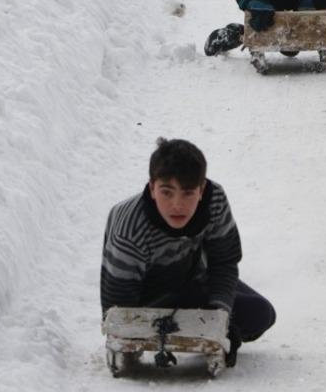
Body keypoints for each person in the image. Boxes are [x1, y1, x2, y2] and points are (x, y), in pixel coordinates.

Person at [100, 137, 275, 368]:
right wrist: (148, 338)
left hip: (192, 282)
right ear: (152, 189)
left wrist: (220, 320)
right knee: (129, 334)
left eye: (188, 193)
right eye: (167, 192)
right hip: (146, 299)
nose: (177, 205)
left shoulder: (215, 201)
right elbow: (117, 308)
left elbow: (224, 262)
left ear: (201, 190)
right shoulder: (131, 229)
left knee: (261, 315)